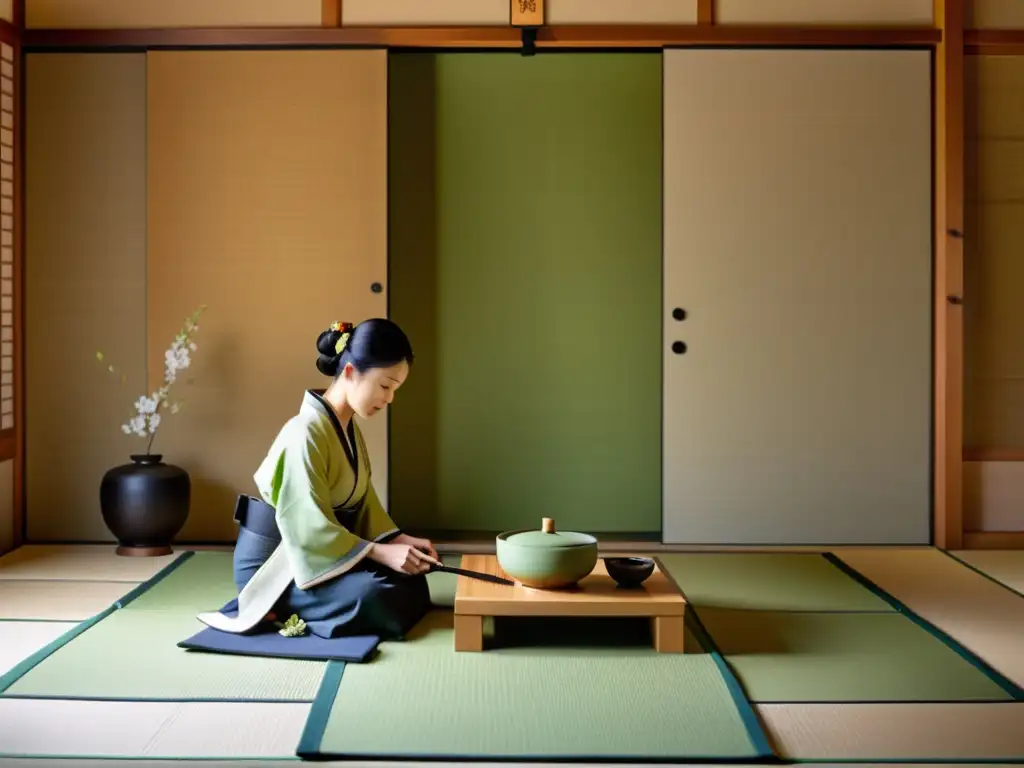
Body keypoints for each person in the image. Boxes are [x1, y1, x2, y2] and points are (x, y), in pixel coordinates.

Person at [197, 318, 438, 640]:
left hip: (317, 555)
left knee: (410, 582)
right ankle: (271, 604)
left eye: (395, 389)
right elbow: (307, 526)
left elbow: (363, 503)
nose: (390, 398)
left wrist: (396, 541)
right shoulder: (304, 432)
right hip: (279, 563)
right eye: (385, 385)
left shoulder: (346, 429)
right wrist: (380, 553)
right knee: (380, 596)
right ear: (351, 372)